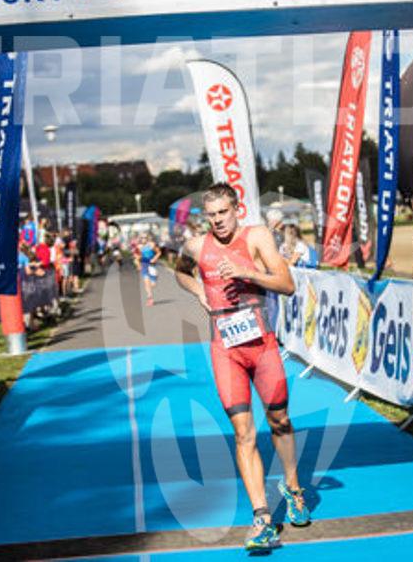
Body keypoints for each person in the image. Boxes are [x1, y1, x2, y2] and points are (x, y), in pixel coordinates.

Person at [175, 183, 309, 552]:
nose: (218, 220)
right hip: (225, 349)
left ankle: (293, 487)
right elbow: (180, 271)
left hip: (262, 345)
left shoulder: (257, 236)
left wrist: (245, 272)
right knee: (243, 432)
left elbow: (287, 284)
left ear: (237, 210)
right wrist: (199, 292)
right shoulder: (196, 246)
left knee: (280, 420)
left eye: (224, 212)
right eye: (212, 215)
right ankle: (262, 517)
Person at [134, 233, 161, 307]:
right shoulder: (138, 247)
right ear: (140, 239)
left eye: (145, 237)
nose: (143, 239)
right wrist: (138, 264)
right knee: (146, 282)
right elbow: (136, 256)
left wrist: (154, 258)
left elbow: (159, 252)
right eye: (142, 238)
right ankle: (150, 298)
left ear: (147, 238)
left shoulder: (151, 245)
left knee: (153, 284)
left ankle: (154, 280)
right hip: (144, 265)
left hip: (152, 265)